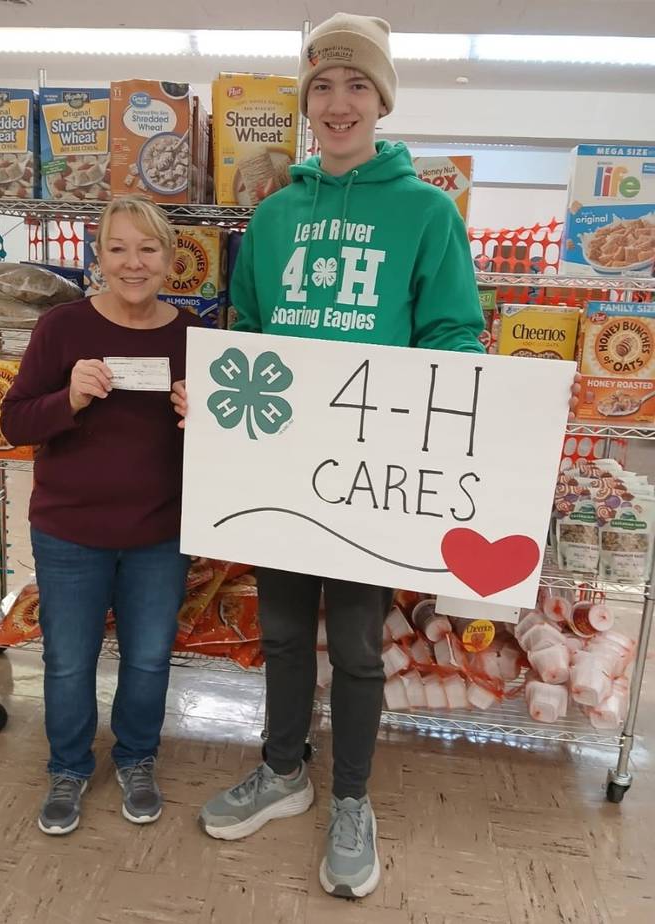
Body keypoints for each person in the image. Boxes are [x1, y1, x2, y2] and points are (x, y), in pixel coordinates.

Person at [172, 12, 578, 900]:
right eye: (323, 84)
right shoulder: (274, 216)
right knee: (282, 631)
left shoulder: (426, 211)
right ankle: (284, 772)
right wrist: (214, 391)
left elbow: (451, 334)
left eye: (357, 84)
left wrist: (492, 408)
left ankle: (351, 797)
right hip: (282, 466)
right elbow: (251, 331)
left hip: (370, 477)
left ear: (383, 99)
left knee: (356, 646)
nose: (339, 101)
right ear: (305, 102)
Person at [1, 195, 200, 836]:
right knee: (67, 659)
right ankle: (68, 767)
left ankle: (138, 758)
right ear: (98, 258)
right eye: (118, 248)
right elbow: (12, 422)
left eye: (147, 249)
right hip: (69, 531)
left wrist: (203, 417)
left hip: (159, 532)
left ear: (170, 260)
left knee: (148, 658)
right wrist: (70, 398)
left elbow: (229, 438)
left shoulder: (192, 334)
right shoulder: (62, 328)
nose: (133, 263)